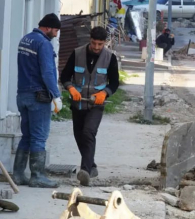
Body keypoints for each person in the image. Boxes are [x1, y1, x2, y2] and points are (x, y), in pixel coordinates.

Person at [60, 26, 120, 186]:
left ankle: (85, 171)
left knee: (88, 133)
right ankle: (91, 166)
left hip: (96, 104)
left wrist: (104, 93)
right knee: (79, 136)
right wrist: (70, 88)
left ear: (105, 43)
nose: (96, 47)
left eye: (100, 44)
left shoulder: (110, 58)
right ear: (90, 40)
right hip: (78, 103)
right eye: (94, 43)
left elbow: (114, 82)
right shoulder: (77, 53)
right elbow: (65, 75)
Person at [13, 13, 64, 188]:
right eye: (56, 30)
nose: (56, 34)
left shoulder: (25, 40)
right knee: (39, 137)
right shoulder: (43, 44)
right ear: (48, 27)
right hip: (38, 96)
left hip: (22, 94)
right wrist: (56, 95)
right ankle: (37, 176)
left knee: (26, 135)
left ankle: (18, 175)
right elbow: (47, 73)